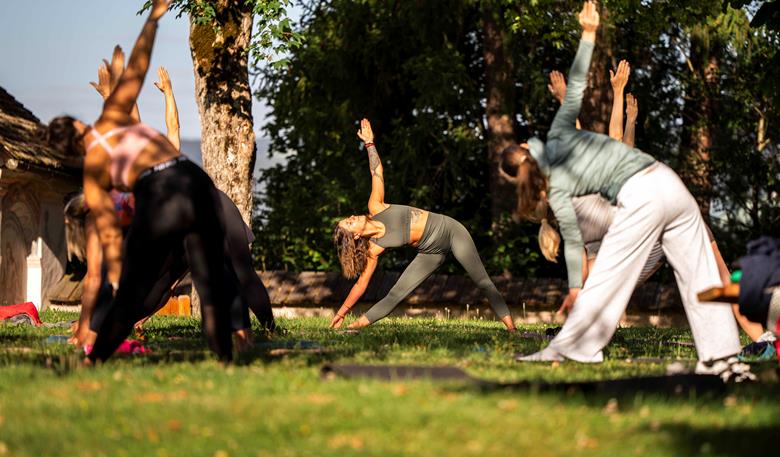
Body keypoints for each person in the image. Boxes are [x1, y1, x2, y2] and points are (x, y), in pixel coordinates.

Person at [506, 2, 750, 380]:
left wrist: (575, 288)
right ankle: (724, 359)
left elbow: (573, 244)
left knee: (607, 274)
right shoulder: (558, 135)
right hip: (669, 182)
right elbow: (576, 85)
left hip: (642, 196)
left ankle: (574, 350)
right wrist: (588, 33)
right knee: (699, 273)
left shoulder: (557, 190)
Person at [535, 57, 775, 360]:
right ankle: (763, 340)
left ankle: (763, 341)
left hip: (655, 233)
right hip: (662, 229)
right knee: (720, 280)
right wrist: (610, 96)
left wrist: (622, 110)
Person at [46, 0, 234, 363]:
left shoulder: (94, 171)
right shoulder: (113, 115)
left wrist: (118, 270)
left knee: (129, 295)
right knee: (210, 284)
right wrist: (153, 20)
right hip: (194, 179)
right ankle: (225, 362)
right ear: (78, 123)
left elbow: (107, 228)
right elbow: (138, 69)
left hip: (160, 192)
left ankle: (94, 359)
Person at [329, 119, 516, 331]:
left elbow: (377, 171)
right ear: (354, 236)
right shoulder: (374, 249)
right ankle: (353, 327)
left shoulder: (376, 207)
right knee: (396, 294)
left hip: (451, 231)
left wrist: (370, 144)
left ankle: (512, 330)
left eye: (349, 217)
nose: (352, 216)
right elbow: (361, 284)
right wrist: (342, 312)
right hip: (430, 253)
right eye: (349, 223)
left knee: (482, 281)